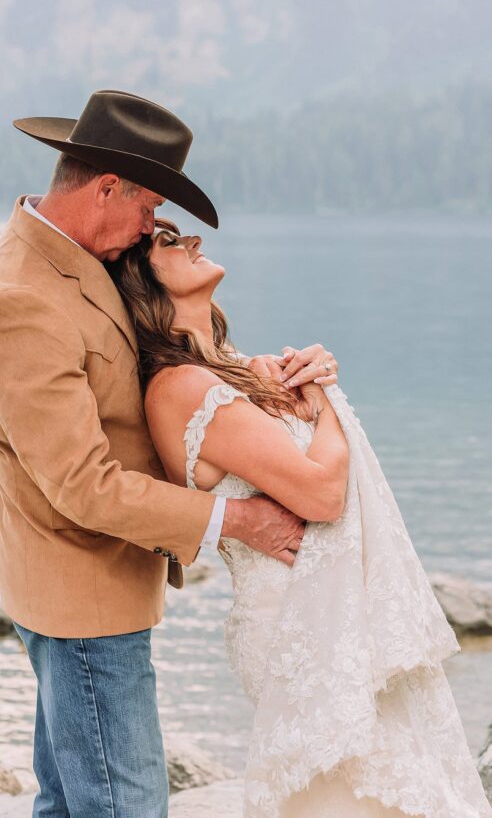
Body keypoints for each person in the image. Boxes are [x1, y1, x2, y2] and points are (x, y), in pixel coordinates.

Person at [0, 89, 333, 818]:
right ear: (105, 189)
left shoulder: (84, 254)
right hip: (78, 585)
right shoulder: (20, 300)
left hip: (83, 577)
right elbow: (84, 485)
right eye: (148, 206)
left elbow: (155, 372)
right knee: (126, 805)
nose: (153, 226)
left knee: (70, 801)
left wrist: (260, 378)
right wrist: (240, 523)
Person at [108, 218, 492, 818]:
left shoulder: (230, 367)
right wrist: (326, 404)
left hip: (335, 614)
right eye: (168, 241)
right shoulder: (179, 387)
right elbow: (321, 495)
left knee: (402, 789)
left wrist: (314, 377)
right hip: (299, 629)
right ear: (139, 283)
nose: (193, 243)